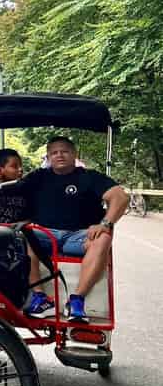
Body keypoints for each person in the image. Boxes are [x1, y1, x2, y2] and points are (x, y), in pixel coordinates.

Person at [20, 136, 127, 321]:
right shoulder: (38, 177)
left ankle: (76, 300)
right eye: (54, 152)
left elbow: (120, 197)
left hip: (79, 236)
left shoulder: (89, 177)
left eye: (64, 151)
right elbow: (13, 190)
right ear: (48, 157)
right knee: (21, 235)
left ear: (74, 154)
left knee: (104, 237)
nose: (59, 155)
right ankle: (40, 297)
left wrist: (105, 223)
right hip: (45, 235)